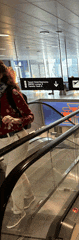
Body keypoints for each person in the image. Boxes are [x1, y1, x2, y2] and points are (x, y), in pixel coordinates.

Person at [0, 61, 35, 228]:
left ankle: (18, 211)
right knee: (16, 173)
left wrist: (16, 120)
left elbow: (29, 116)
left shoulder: (12, 94)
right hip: (1, 141)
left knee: (10, 175)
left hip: (16, 138)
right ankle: (29, 197)